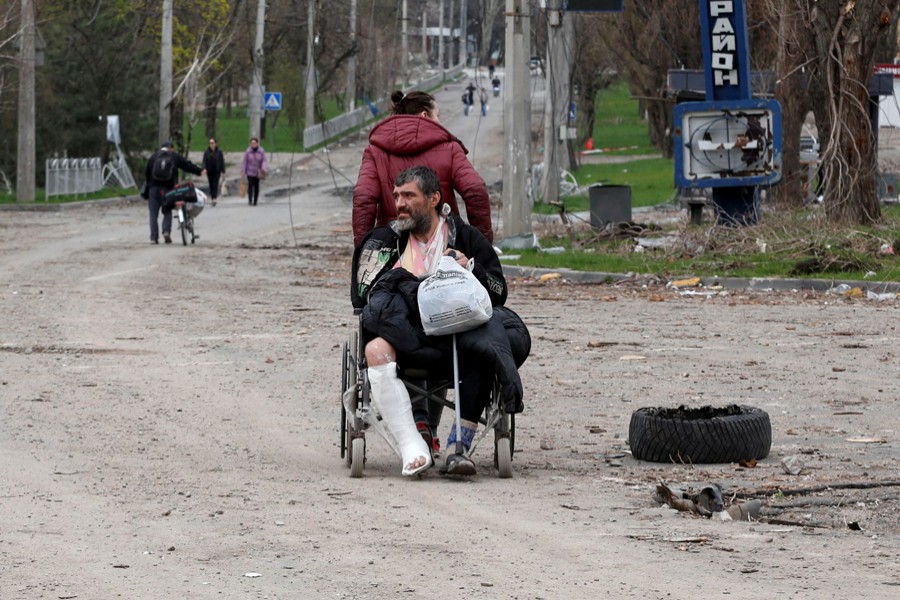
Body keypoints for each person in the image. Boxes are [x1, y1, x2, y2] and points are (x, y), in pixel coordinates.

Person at [351, 166, 529, 477]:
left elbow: (499, 293)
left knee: (485, 342)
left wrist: (471, 268)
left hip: (459, 339)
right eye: (396, 196)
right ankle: (414, 445)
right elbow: (362, 298)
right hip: (408, 337)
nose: (400, 203)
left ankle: (457, 446)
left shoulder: (467, 238)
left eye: (409, 196)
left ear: (434, 198)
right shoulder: (383, 243)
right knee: (375, 348)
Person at [353, 90, 493, 247]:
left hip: (392, 248)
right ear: (425, 116)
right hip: (443, 247)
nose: (440, 122)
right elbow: (475, 189)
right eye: (437, 116)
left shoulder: (375, 151)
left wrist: (362, 250)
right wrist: (482, 246)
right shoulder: (451, 149)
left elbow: (363, 197)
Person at [144, 141, 205, 244]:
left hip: (154, 188)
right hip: (168, 188)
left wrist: (150, 186)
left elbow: (147, 173)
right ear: (170, 148)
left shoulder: (154, 156)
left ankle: (154, 238)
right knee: (167, 209)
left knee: (153, 213)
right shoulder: (174, 156)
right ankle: (166, 231)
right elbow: (186, 165)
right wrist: (199, 171)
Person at [241, 137, 268, 206]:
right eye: (252, 143)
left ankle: (255, 200)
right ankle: (250, 200)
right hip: (250, 171)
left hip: (257, 172)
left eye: (254, 143)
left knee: (256, 186)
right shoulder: (248, 151)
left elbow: (264, 161)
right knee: (250, 185)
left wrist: (263, 168)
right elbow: (245, 162)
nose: (253, 144)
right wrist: (243, 171)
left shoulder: (261, 151)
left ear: (257, 143)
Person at [202, 138, 226, 207]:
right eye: (210, 143)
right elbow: (204, 161)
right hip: (209, 170)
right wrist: (204, 168)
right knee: (211, 184)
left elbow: (222, 161)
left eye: (212, 143)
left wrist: (223, 170)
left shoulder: (219, 152)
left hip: (217, 170)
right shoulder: (207, 152)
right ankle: (212, 197)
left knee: (215, 184)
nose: (211, 144)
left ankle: (214, 198)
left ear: (215, 144)